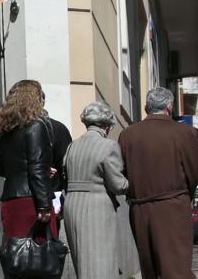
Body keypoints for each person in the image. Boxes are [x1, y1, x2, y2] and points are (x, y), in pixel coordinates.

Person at [118, 87, 198, 279]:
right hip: (173, 206)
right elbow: (195, 168)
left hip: (140, 209)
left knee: (150, 269)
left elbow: (122, 172)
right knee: (176, 267)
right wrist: (184, 193)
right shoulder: (184, 132)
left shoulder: (127, 134)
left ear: (147, 107)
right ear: (169, 106)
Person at [0, 79, 57, 272]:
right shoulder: (36, 126)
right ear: (35, 99)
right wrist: (45, 206)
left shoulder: (7, 131)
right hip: (32, 201)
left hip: (11, 201)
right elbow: (36, 169)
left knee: (17, 260)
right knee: (41, 260)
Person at [62, 101, 129, 278]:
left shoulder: (72, 146)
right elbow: (118, 185)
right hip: (96, 206)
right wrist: (135, 183)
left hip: (72, 205)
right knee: (101, 261)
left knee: (82, 260)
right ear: (106, 125)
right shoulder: (109, 146)